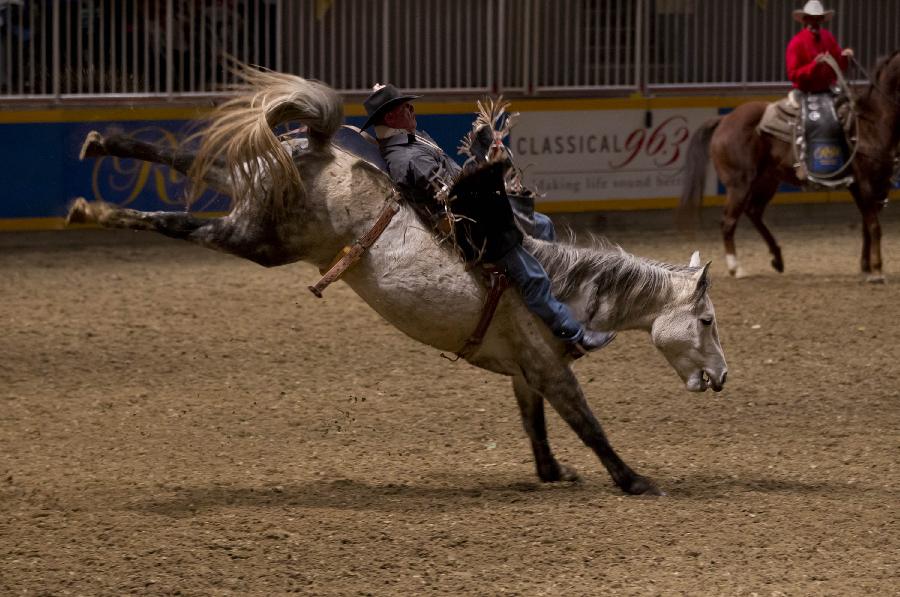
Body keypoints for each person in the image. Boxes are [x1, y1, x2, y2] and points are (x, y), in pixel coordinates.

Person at [360, 84, 615, 356]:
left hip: (469, 216)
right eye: (405, 107)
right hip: (467, 230)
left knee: (542, 224)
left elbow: (455, 185)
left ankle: (553, 298)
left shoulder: (412, 141)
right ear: (389, 118)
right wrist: (482, 168)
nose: (412, 109)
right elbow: (451, 198)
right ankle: (571, 336)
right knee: (531, 274)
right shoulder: (406, 157)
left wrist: (480, 159)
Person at [786, 1, 853, 94]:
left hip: (830, 90)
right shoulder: (797, 42)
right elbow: (793, 75)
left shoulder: (828, 36)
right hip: (806, 92)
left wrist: (846, 56)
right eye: (812, 19)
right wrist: (814, 65)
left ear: (822, 20)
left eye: (818, 19)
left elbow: (839, 62)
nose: (815, 22)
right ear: (805, 20)